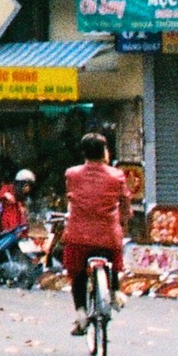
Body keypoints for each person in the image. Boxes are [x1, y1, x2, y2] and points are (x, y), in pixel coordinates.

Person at [63, 133, 130, 336]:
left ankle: (81, 314)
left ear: (84, 153)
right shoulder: (117, 175)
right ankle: (116, 291)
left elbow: (71, 197)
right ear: (104, 152)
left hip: (78, 235)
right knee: (114, 253)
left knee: (78, 274)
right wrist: (125, 218)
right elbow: (125, 204)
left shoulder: (72, 174)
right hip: (108, 235)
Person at [0, 169, 34, 235]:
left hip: (17, 230)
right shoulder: (8, 189)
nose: (27, 189)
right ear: (20, 184)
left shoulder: (23, 201)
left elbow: (24, 222)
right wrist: (5, 195)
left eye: (29, 186)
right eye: (26, 185)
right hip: (7, 228)